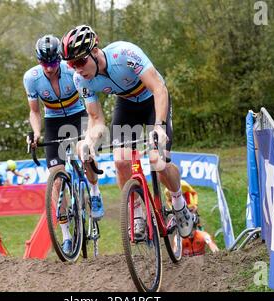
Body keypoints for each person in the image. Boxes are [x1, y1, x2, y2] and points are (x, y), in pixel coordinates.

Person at [60, 25, 197, 239]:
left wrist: (159, 127)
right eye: (71, 64)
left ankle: (179, 204)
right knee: (121, 161)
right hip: (127, 106)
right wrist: (89, 142)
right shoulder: (81, 79)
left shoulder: (124, 54)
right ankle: (138, 212)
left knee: (158, 161)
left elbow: (159, 89)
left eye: (79, 61)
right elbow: (96, 119)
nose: (76, 68)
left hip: (153, 100)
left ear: (95, 51)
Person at [23, 34, 103, 254]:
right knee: (56, 176)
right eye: (44, 63)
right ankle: (67, 235)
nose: (49, 68)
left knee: (84, 152)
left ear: (60, 58)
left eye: (53, 62)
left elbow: (90, 103)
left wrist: (89, 133)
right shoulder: (31, 78)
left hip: (79, 114)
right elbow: (34, 111)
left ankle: (94, 192)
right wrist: (37, 133)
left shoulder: (72, 72)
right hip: (54, 120)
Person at [164, 180, 219, 256]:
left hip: (190, 205)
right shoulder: (167, 191)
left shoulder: (184, 185)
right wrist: (173, 210)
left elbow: (194, 193)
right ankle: (180, 233)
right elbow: (168, 201)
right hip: (178, 208)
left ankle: (197, 229)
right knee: (179, 221)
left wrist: (195, 205)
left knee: (193, 218)